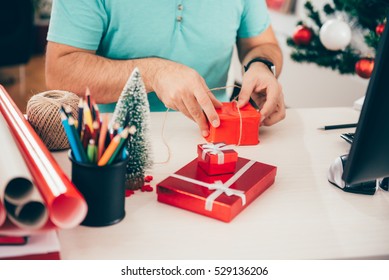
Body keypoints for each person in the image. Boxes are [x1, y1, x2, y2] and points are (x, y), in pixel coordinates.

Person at [45, 0, 285, 137]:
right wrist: (153, 73)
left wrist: (262, 65)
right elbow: (59, 71)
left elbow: (263, 44)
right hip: (112, 142)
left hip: (215, 136)